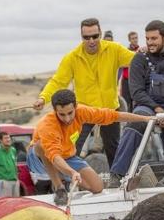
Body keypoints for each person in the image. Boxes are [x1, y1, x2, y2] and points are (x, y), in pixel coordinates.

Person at [33, 18, 136, 170]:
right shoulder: (72, 57)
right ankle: (68, 182)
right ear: (82, 37)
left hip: (109, 109)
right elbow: (58, 81)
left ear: (100, 33)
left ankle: (118, 180)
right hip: (83, 111)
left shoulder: (114, 49)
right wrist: (43, 97)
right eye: (86, 37)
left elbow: (136, 60)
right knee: (72, 147)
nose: (91, 40)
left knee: (113, 148)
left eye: (95, 36)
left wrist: (143, 52)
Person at [30, 89, 153, 205]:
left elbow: (113, 116)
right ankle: (59, 188)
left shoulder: (82, 112)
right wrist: (72, 172)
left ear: (75, 107)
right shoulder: (47, 125)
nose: (67, 119)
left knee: (97, 187)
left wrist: (144, 118)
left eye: (70, 113)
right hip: (40, 160)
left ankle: (69, 179)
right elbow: (54, 157)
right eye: (62, 115)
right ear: (54, 110)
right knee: (41, 146)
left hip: (67, 155)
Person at [108, 20, 164, 187]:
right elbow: (137, 91)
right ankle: (116, 174)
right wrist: (157, 109)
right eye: (147, 39)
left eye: (154, 38)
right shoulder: (139, 59)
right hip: (147, 107)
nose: (150, 42)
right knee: (134, 126)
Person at [0, 131, 20, 197]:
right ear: (0, 140)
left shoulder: (13, 150)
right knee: (6, 203)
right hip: (3, 181)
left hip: (15, 180)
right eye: (5, 138)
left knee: (16, 203)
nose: (8, 139)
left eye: (9, 138)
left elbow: (15, 164)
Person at [121, 31, 140, 110]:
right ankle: (127, 121)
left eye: (136, 38)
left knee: (137, 101)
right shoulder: (125, 51)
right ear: (129, 40)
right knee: (127, 101)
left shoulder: (141, 50)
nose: (135, 40)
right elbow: (121, 64)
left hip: (137, 79)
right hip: (126, 79)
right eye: (133, 38)